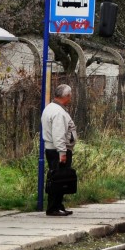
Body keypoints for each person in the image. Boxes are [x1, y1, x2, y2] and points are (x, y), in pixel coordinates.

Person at [41, 83, 77, 216]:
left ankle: (58, 205)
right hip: (58, 151)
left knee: (58, 178)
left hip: (53, 149)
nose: (71, 98)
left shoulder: (50, 108)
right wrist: (62, 152)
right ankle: (53, 208)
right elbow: (58, 134)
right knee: (58, 179)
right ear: (66, 96)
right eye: (70, 95)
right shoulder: (58, 113)